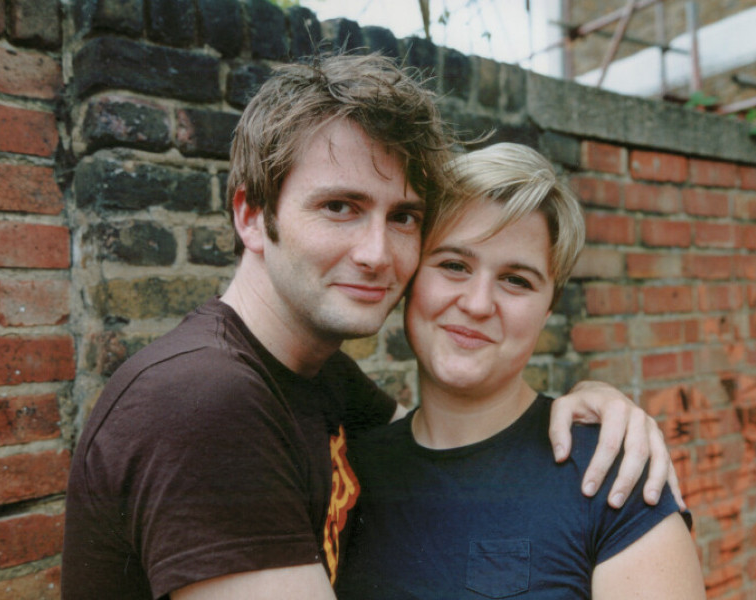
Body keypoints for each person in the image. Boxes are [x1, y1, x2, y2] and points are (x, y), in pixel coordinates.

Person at [62, 55, 680, 600]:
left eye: (404, 216)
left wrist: (601, 405)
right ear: (252, 215)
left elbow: (450, 455)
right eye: (340, 207)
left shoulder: (328, 386)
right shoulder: (202, 398)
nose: (376, 253)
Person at [336, 143, 706, 599]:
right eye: (453, 265)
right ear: (412, 275)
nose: (477, 303)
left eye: (516, 280)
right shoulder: (347, 469)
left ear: (548, 308)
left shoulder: (610, 474)